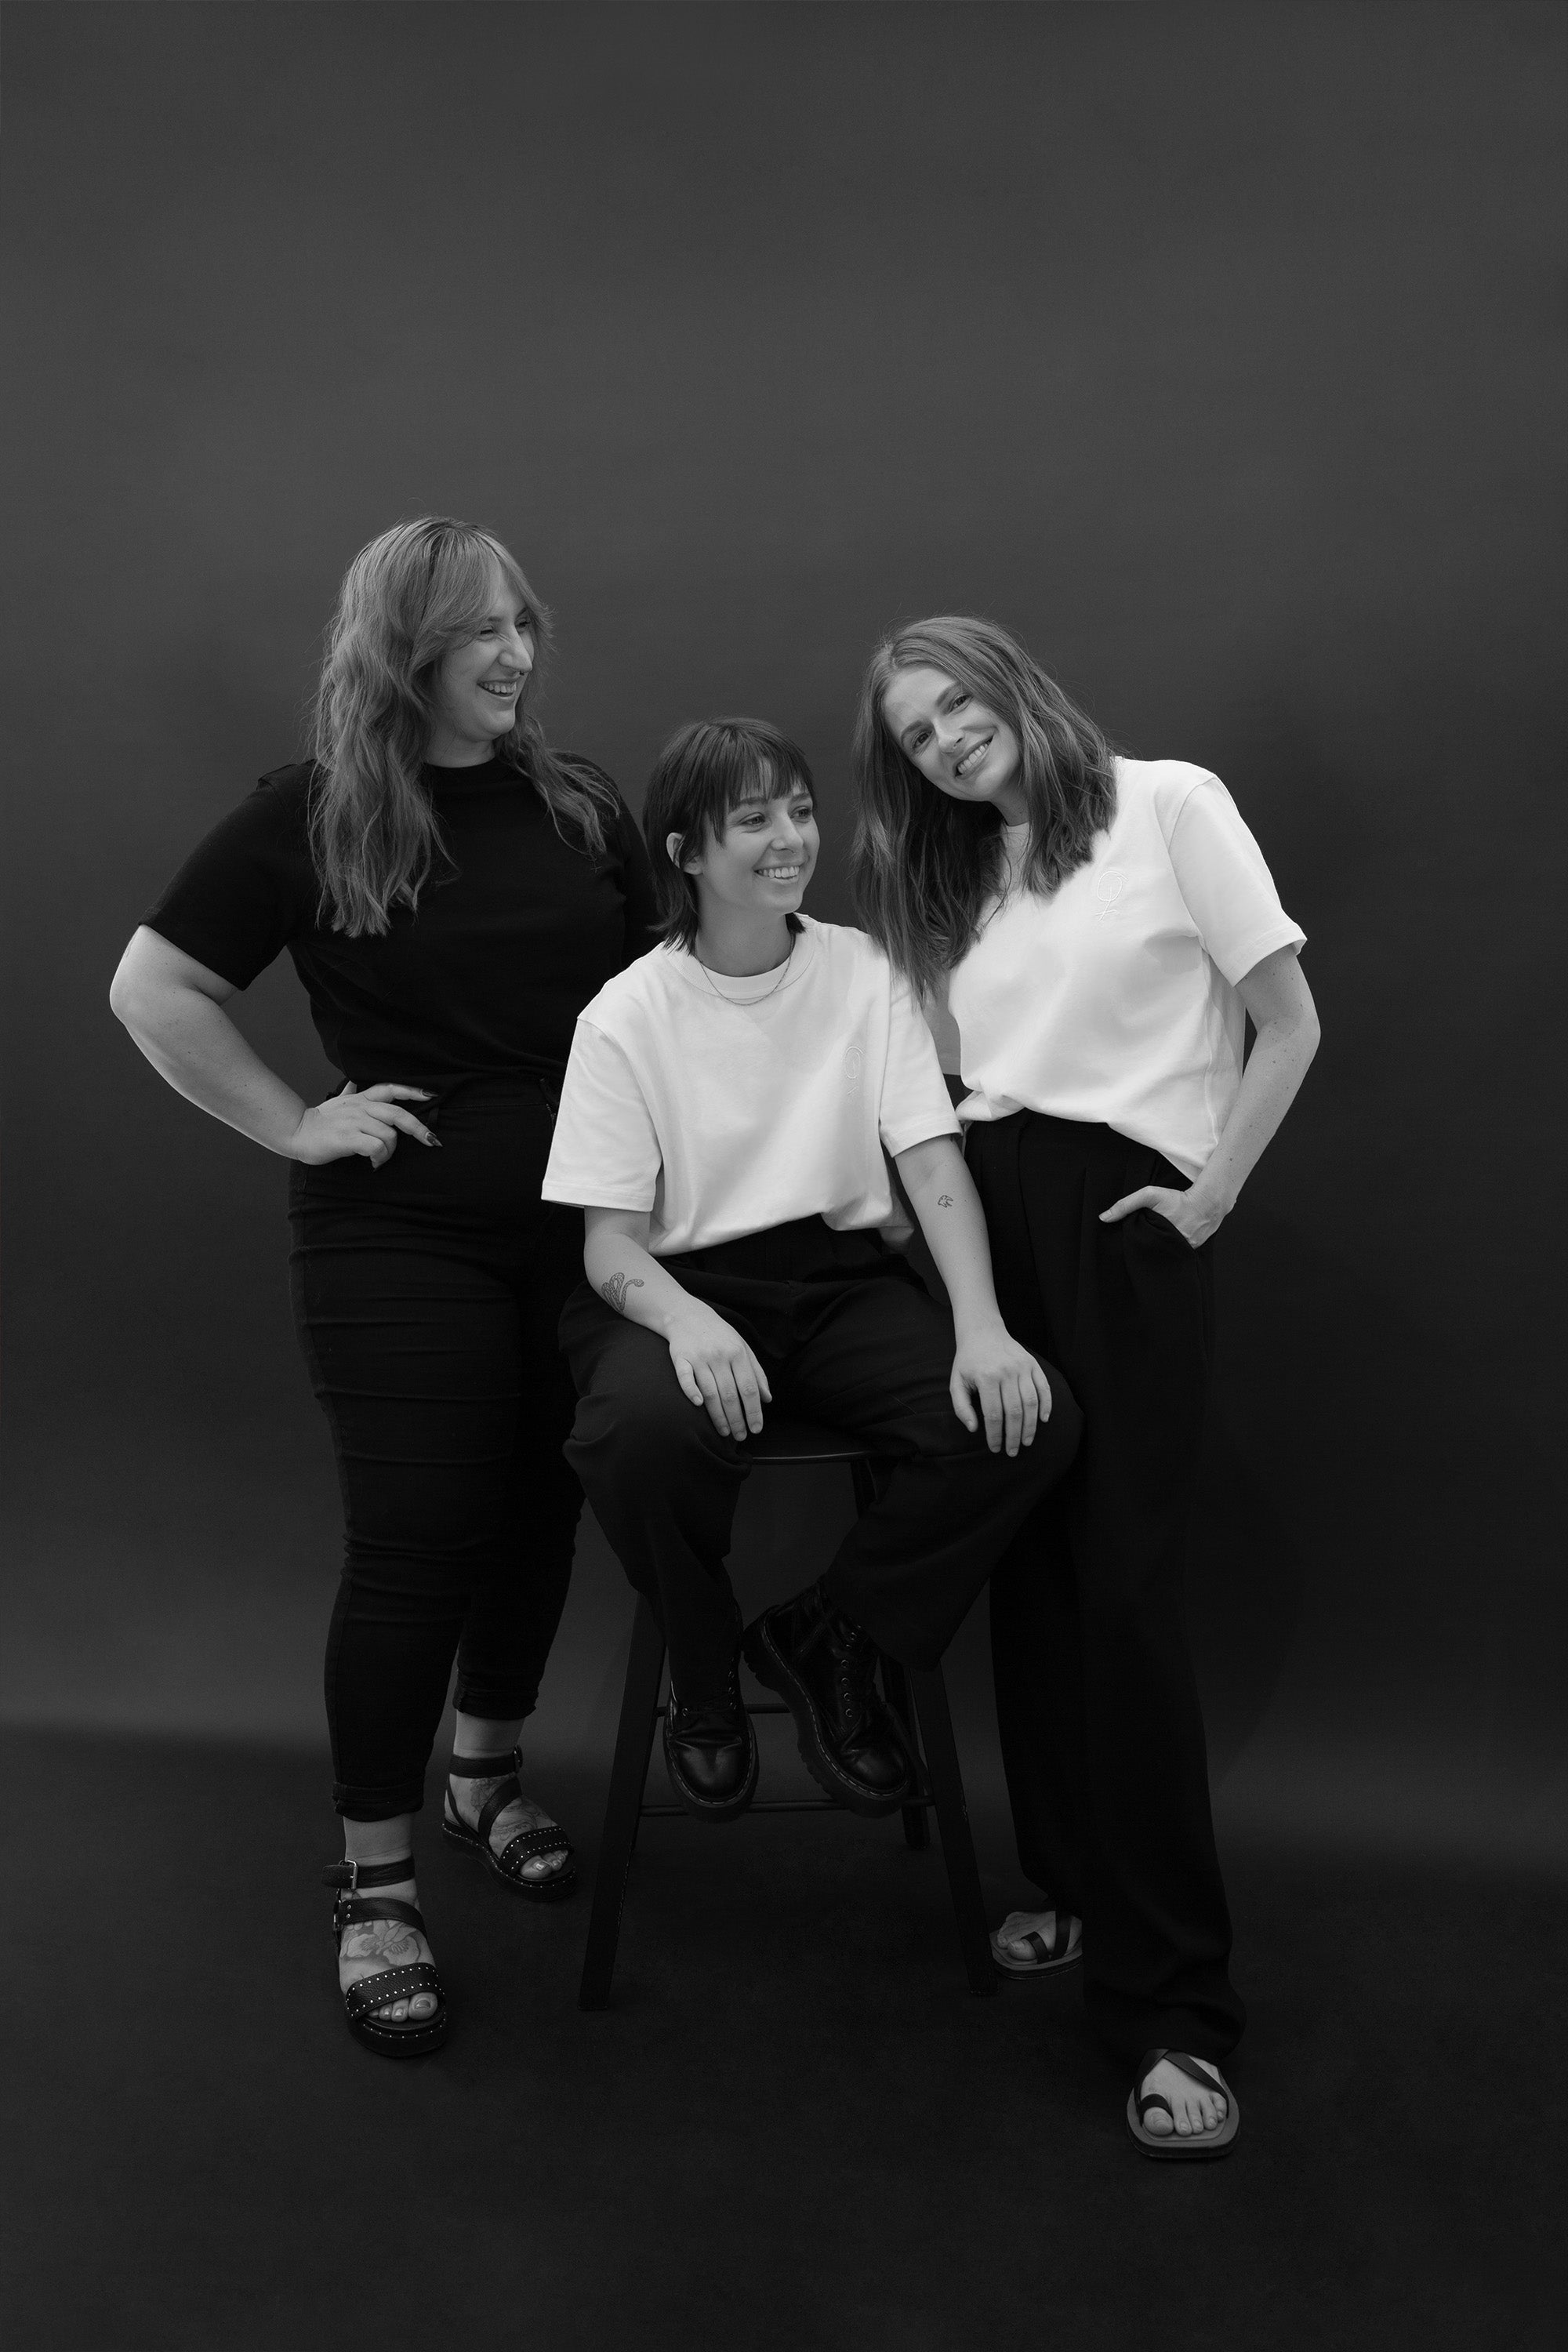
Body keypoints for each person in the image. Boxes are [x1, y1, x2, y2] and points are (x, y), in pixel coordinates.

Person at [109, 517, 658, 2058]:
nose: (513, 653)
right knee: (418, 1548)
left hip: (585, 1232)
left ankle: (484, 1776)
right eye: (478, 629)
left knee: (539, 1513)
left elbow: (669, 994)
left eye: (522, 624)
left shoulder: (577, 802)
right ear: (401, 648)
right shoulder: (312, 815)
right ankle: (375, 1889)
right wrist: (295, 1121)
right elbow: (154, 987)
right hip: (400, 1241)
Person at [852, 615, 1320, 2159]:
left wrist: (1208, 1197)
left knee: (1119, 1594)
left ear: (1010, 682)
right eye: (915, 736)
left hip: (1123, 1217)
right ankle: (1066, 1884)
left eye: (954, 705)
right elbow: (942, 1088)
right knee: (1034, 1576)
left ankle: (1173, 2008)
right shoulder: (949, 878)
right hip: (987, 1229)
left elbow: (1287, 1021)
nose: (945, 741)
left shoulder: (1168, 804)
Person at [540, 717, 1082, 1828]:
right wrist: (688, 1323)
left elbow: (929, 1163)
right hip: (675, 1285)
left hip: (835, 1283)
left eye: (799, 810)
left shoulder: (863, 970)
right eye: (754, 820)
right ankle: (703, 1675)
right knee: (638, 1433)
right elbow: (609, 1243)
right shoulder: (625, 1015)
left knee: (1029, 1420)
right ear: (686, 853)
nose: (790, 838)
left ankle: (833, 1632)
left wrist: (981, 1325)